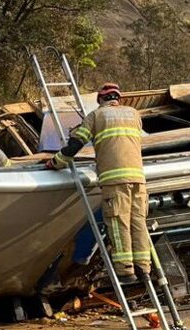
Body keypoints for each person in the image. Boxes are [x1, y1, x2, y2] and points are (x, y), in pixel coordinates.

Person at [47, 82, 148, 284]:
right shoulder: (134, 115)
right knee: (138, 222)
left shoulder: (96, 116)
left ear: (101, 100)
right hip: (138, 179)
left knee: (119, 223)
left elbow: (75, 145)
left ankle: (125, 270)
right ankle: (144, 267)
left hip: (114, 180)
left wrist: (56, 162)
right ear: (118, 98)